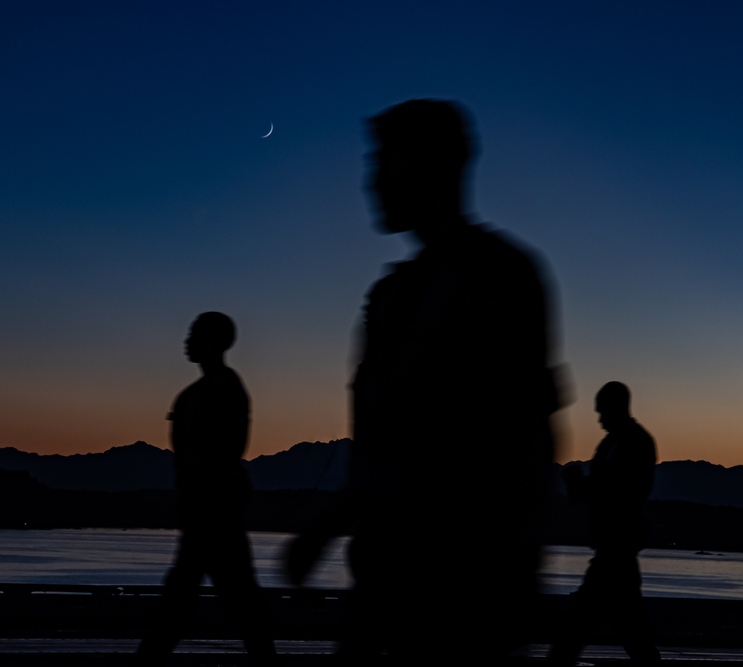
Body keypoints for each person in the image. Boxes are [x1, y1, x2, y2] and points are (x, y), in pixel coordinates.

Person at [284, 98, 566, 664]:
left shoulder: (499, 277)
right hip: (387, 574)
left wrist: (512, 563)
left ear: (430, 168)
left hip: (461, 587)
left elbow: (520, 432)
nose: (372, 182)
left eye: (385, 162)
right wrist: (335, 522)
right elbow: (388, 443)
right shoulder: (393, 296)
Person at [136, 312, 279, 665]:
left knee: (197, 595)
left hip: (213, 507)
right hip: (207, 505)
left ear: (214, 341)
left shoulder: (221, 389)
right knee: (228, 594)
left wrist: (204, 491)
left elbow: (226, 449)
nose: (187, 340)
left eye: (195, 334)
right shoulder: (204, 391)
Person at [548, 381, 661, 667]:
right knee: (631, 630)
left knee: (578, 628)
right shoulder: (617, 442)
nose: (598, 419)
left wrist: (582, 484)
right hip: (614, 548)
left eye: (602, 411)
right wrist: (581, 486)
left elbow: (623, 490)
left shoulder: (631, 442)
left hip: (616, 549)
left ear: (615, 407)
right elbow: (606, 487)